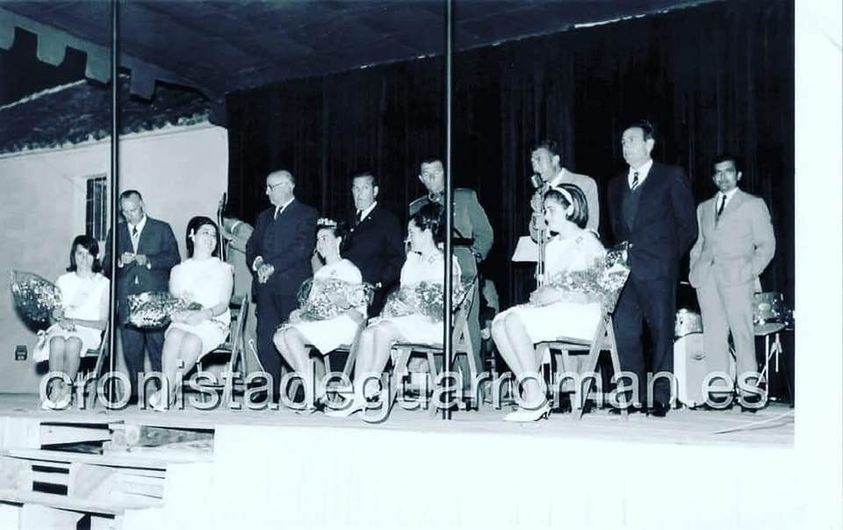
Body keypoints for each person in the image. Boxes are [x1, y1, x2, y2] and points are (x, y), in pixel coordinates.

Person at [328, 203, 461, 417]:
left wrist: (410, 305)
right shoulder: (411, 261)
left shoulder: (446, 263)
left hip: (434, 325)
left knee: (383, 330)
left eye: (412, 233)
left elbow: (442, 305)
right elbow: (404, 294)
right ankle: (359, 390)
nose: (408, 238)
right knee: (369, 331)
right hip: (409, 322)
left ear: (427, 233)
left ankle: (369, 388)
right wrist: (396, 307)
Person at [492, 184, 605, 422]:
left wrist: (560, 295)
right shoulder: (551, 247)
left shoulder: (588, 241)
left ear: (570, 209)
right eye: (544, 211)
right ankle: (533, 391)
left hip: (583, 313)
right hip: (558, 312)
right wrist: (541, 296)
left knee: (513, 321)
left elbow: (601, 291)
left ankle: (534, 399)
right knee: (498, 324)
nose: (545, 216)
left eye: (551, 210)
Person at [607, 120, 697, 416]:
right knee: (624, 333)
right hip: (624, 272)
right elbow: (617, 230)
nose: (625, 146)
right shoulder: (615, 184)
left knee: (661, 334)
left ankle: (660, 397)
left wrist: (667, 258)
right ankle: (631, 396)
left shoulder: (671, 176)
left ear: (649, 144)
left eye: (631, 140)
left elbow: (688, 227)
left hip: (658, 270)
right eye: (622, 142)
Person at [689, 154, 775, 410]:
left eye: (728, 171)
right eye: (718, 172)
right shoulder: (704, 207)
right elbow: (700, 243)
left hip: (738, 277)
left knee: (742, 333)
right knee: (713, 335)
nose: (722, 177)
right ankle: (719, 393)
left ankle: (749, 392)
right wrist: (695, 269)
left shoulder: (753, 204)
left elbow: (767, 245)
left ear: (738, 175)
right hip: (708, 279)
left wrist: (749, 271)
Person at [409, 159, 492, 394]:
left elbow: (485, 234)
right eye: (426, 174)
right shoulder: (417, 207)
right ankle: (442, 382)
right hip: (431, 270)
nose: (431, 177)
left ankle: (472, 384)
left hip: (463, 266)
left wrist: (474, 255)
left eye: (436, 172)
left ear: (445, 173)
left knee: (468, 326)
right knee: (434, 322)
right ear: (421, 178)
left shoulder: (464, 198)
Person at [274, 219, 367, 408]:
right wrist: (300, 313)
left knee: (291, 335)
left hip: (344, 323)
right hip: (321, 323)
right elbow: (312, 308)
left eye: (325, 238)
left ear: (338, 241)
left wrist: (343, 303)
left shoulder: (350, 270)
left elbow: (360, 317)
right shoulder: (320, 273)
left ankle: (314, 393)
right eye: (318, 239)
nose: (320, 244)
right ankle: (317, 388)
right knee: (278, 337)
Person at [245, 170, 318, 398]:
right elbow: (252, 246)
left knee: (293, 338)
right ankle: (270, 389)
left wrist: (272, 266)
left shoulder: (307, 214)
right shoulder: (264, 216)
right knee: (266, 339)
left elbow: (301, 248)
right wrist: (258, 263)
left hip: (292, 289)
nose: (266, 192)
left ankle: (301, 388)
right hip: (265, 289)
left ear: (289, 186)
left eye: (271, 187)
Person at [149, 217, 234, 411]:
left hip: (212, 321)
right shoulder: (178, 270)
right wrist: (178, 314)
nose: (210, 238)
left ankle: (166, 392)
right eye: (205, 233)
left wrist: (205, 314)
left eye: (214, 235)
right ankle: (167, 392)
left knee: (192, 341)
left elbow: (223, 304)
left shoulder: (224, 269)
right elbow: (175, 303)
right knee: (174, 334)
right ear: (192, 236)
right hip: (185, 320)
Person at [102, 190, 180, 402]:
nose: (130, 215)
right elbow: (106, 264)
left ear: (142, 205)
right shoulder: (116, 232)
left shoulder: (161, 228)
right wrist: (119, 261)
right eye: (125, 212)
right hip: (127, 298)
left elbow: (174, 259)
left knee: (158, 348)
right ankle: (136, 393)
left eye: (133, 210)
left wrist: (148, 260)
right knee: (131, 349)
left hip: (154, 298)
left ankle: (163, 391)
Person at [38, 235, 110, 409]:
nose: (84, 259)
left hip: (88, 331)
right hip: (62, 328)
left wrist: (74, 321)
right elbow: (52, 318)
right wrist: (56, 316)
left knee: (73, 342)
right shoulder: (63, 281)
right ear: (73, 255)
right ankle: (55, 390)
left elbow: (102, 324)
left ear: (96, 256)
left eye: (88, 254)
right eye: (80, 254)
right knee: (56, 341)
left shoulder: (103, 283)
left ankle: (67, 392)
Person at [336, 172, 404, 316]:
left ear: (375, 191)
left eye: (365, 188)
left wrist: (379, 283)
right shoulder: (345, 218)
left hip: (370, 294)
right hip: (341, 290)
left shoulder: (388, 220)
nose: (359, 193)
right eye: (356, 188)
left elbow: (397, 259)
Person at [529, 140, 600, 235]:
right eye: (533, 162)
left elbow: (591, 228)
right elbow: (535, 236)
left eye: (539, 160)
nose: (535, 168)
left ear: (555, 160)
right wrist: (536, 213)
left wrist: (549, 229)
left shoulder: (584, 184)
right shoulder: (541, 193)